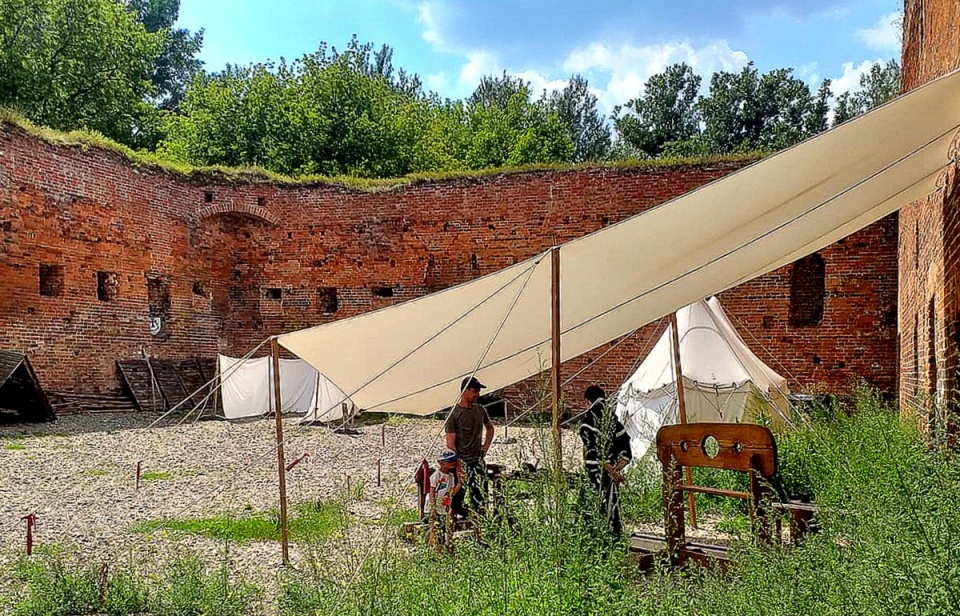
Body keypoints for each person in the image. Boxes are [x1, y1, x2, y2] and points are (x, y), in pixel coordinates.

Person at [578, 384, 633, 537]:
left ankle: (595, 538)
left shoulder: (588, 421)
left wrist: (609, 469)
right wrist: (616, 471)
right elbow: (626, 448)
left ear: (588, 401)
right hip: (610, 474)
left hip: (594, 471)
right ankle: (614, 537)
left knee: (592, 505)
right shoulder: (614, 421)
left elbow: (595, 452)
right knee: (612, 506)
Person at [444, 376, 495, 517]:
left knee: (480, 497)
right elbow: (450, 444)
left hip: (477, 460)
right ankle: (451, 527)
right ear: (465, 391)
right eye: (474, 391)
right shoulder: (454, 414)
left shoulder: (480, 410)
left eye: (478, 392)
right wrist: (458, 465)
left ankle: (480, 527)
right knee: (455, 499)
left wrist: (485, 446)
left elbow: (490, 428)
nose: (477, 395)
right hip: (460, 462)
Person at [427, 448, 466, 551]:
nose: (452, 463)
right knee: (434, 527)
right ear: (441, 463)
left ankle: (444, 547)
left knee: (444, 527)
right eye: (449, 461)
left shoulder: (451, 477)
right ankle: (434, 548)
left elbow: (452, 492)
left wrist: (460, 483)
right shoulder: (436, 476)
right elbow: (432, 492)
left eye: (453, 461)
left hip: (444, 507)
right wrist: (432, 507)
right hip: (435, 505)